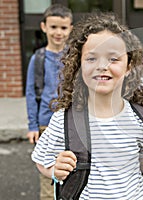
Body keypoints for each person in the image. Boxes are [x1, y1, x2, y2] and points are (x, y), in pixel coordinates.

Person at [31, 12, 143, 200]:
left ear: (129, 66)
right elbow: (42, 160)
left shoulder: (142, 118)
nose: (102, 66)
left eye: (113, 59)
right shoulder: (64, 119)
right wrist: (54, 170)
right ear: (78, 66)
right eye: (91, 58)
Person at [25, 4, 73, 200]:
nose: (58, 32)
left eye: (63, 28)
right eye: (53, 27)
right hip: (46, 123)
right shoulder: (38, 58)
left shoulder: (74, 57)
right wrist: (32, 125)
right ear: (44, 27)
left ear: (70, 28)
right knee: (48, 173)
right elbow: (30, 92)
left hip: (70, 123)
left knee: (70, 169)